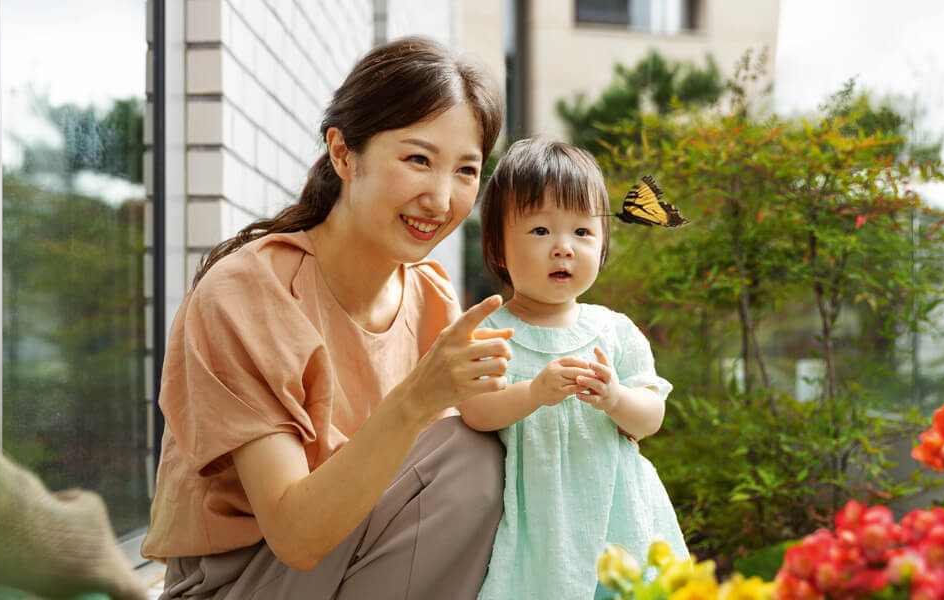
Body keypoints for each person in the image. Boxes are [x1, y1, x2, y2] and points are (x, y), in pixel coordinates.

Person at [141, 36, 512, 600]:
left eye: (466, 170)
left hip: (361, 566)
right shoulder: (249, 293)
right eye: (418, 159)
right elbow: (295, 535)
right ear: (343, 154)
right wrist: (416, 399)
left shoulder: (433, 298)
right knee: (471, 454)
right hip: (241, 583)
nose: (441, 200)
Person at [459, 139, 689, 599]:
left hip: (619, 513)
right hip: (536, 520)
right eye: (541, 230)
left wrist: (616, 399)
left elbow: (650, 417)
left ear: (602, 245)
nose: (563, 248)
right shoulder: (491, 331)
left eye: (582, 231)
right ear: (498, 246)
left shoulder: (614, 331)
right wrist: (533, 393)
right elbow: (475, 411)